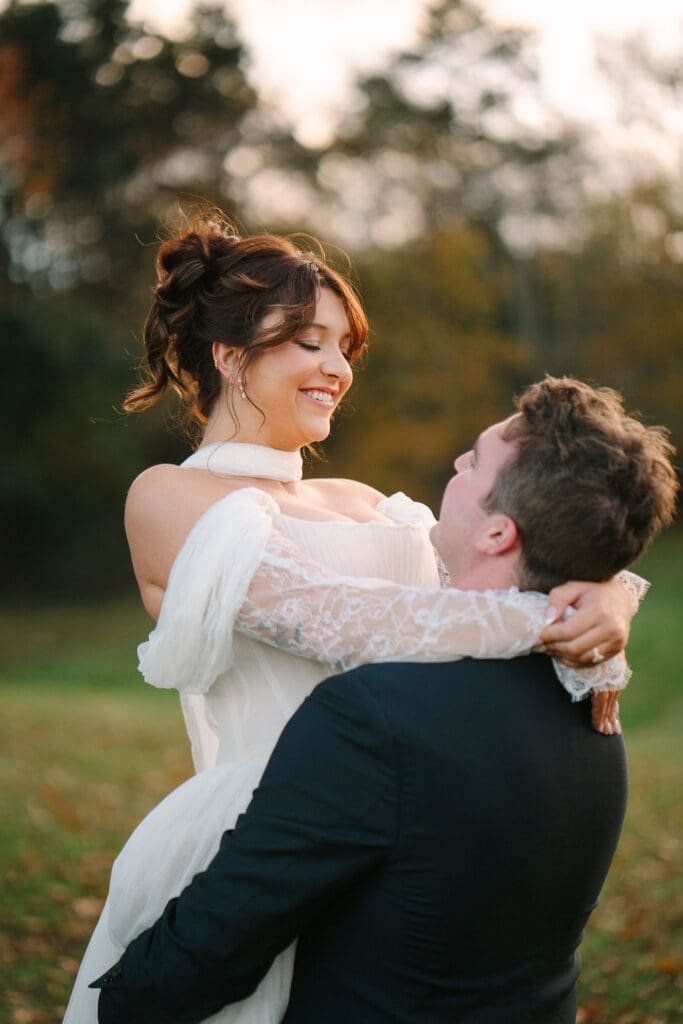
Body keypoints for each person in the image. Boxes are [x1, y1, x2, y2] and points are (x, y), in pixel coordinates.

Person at [63, 217, 640, 1023]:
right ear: (230, 358)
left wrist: (606, 587)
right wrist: (548, 617)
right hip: (260, 838)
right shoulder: (170, 498)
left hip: (407, 836)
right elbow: (347, 625)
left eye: (344, 347)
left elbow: (496, 573)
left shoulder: (369, 504)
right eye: (308, 342)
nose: (336, 368)